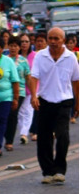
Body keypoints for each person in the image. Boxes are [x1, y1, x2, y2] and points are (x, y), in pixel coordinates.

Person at [30, 27, 79, 184]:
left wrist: (78, 103)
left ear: (63, 41)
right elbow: (33, 77)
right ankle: (47, 171)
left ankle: (59, 170)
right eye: (50, 38)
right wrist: (33, 96)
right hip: (45, 100)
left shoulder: (71, 57)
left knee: (62, 135)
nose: (53, 42)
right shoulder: (40, 56)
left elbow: (76, 81)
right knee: (44, 137)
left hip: (64, 101)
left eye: (56, 38)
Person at [4, 36, 31, 152]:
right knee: (4, 115)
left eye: (15, 46)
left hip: (19, 92)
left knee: (12, 114)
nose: (13, 48)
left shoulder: (23, 61)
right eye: (11, 46)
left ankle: (9, 141)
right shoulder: (4, 59)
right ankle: (4, 137)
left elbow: (28, 78)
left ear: (19, 48)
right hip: (4, 91)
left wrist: (34, 94)